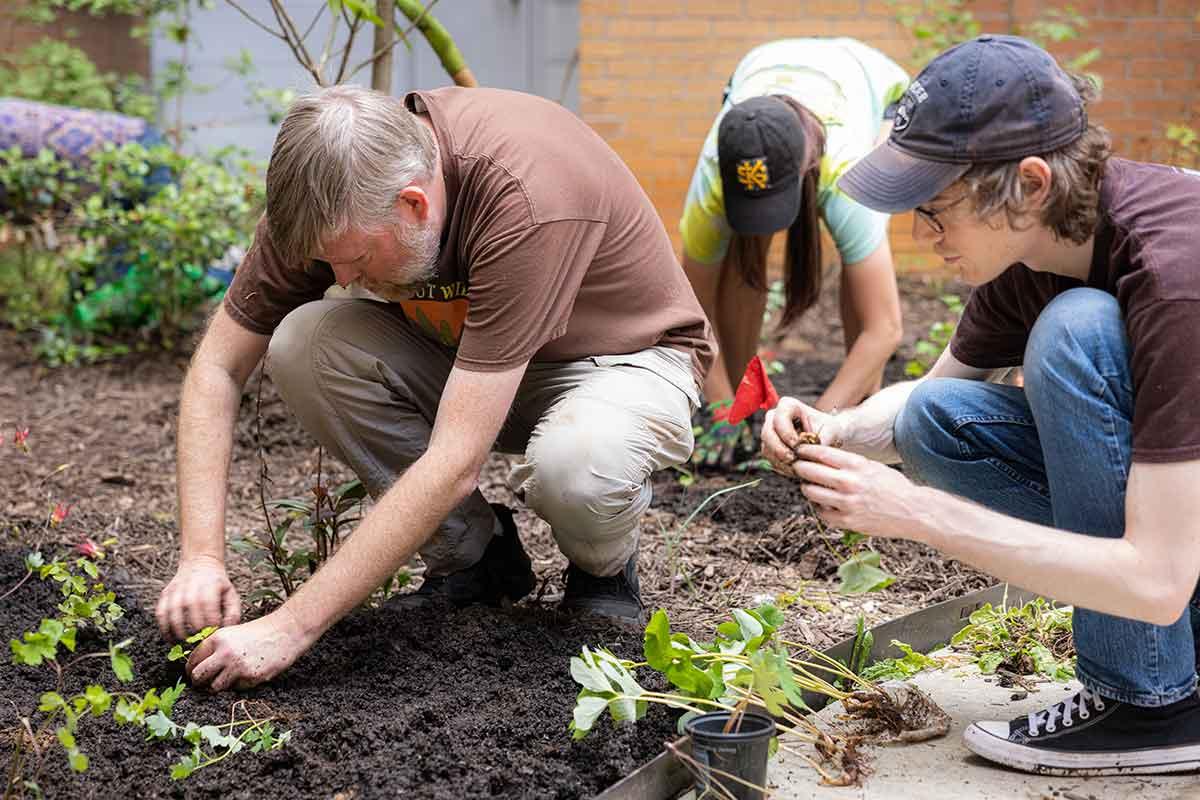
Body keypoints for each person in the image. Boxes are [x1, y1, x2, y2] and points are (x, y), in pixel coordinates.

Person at [154, 84, 715, 691]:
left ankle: (603, 572)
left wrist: (288, 628)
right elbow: (218, 367)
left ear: (414, 205)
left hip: (618, 362)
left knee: (579, 462)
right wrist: (201, 559)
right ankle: (477, 558)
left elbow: (455, 460)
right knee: (303, 342)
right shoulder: (326, 199)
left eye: (354, 259)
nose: (339, 278)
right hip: (479, 368)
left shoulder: (526, 195)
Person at [763, 34, 1200, 776]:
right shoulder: (1043, 248)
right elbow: (933, 399)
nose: (923, 238)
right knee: (936, 420)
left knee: (1075, 334)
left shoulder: (1174, 273)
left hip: (1166, 568)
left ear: (1030, 184)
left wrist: (910, 513)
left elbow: (1156, 580)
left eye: (935, 213)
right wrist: (835, 429)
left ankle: (1154, 704)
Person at [679, 38, 909, 466]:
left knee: (863, 289)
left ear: (803, 173)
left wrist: (817, 421)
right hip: (759, 81)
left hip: (881, 101)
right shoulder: (716, 170)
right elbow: (688, 314)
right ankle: (744, 401)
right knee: (743, 254)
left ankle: (863, 413)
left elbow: (886, 328)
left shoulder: (847, 174)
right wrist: (720, 407)